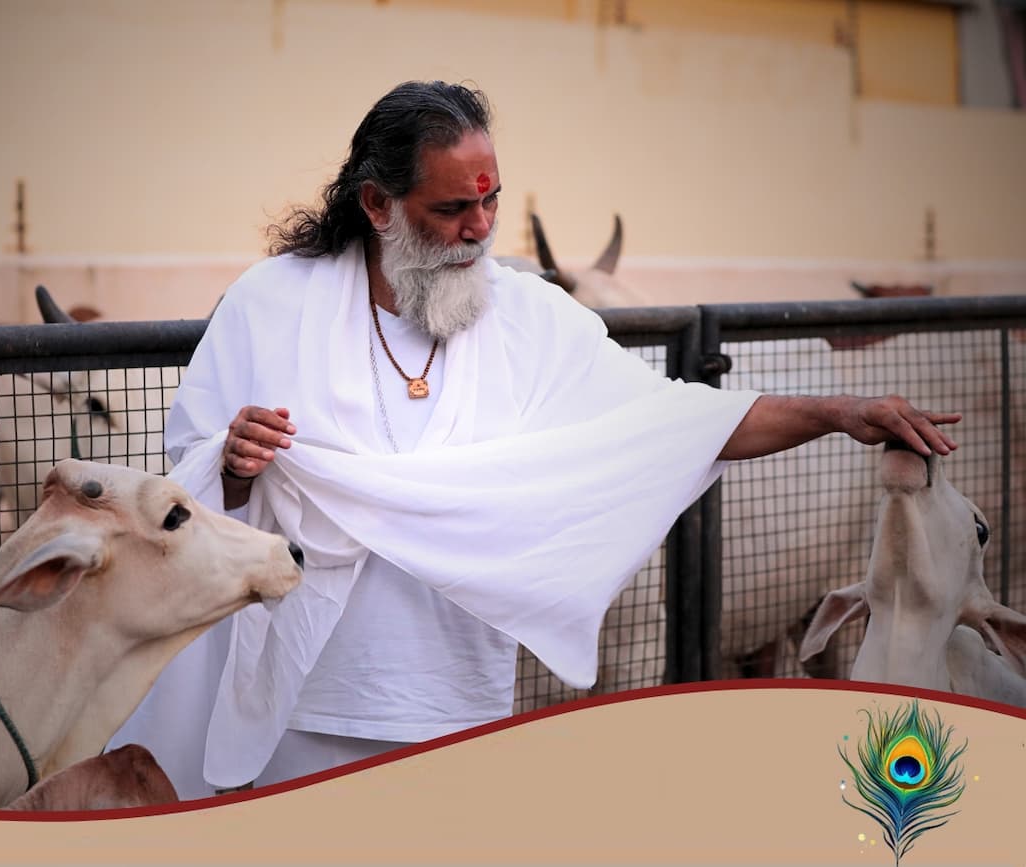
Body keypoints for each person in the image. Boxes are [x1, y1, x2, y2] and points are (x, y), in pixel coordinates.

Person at [109, 80, 960, 797]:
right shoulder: (268, 306)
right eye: (452, 208)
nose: (481, 229)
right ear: (377, 204)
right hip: (304, 703)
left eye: (491, 200)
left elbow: (675, 420)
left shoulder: (528, 320)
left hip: (458, 708)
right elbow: (177, 496)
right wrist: (228, 458)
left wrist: (834, 412)